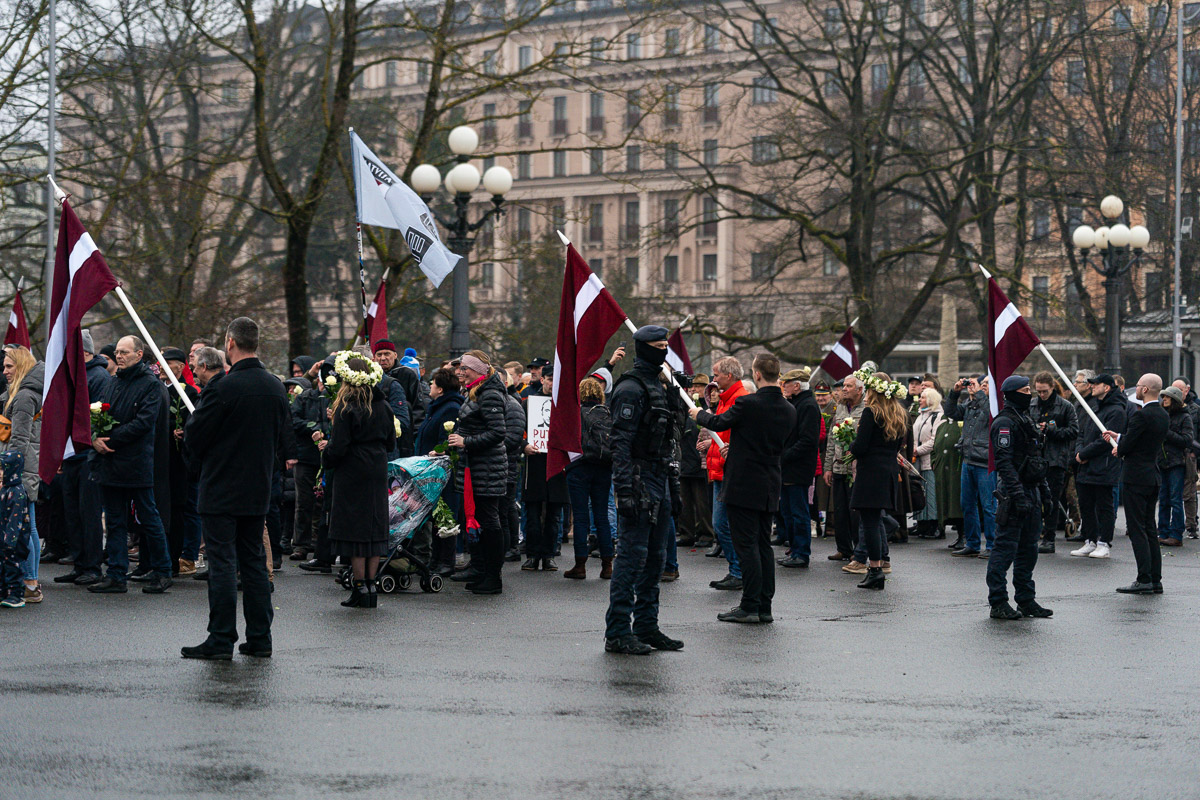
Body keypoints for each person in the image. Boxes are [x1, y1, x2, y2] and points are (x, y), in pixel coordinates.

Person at [181, 318, 295, 659]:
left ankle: (220, 638)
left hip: (221, 488)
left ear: (229, 343)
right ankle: (260, 637)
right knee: (255, 564)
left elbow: (195, 437)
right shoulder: (275, 386)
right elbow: (283, 439)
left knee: (223, 564)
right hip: (258, 486)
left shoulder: (223, 388)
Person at [691, 353, 796, 621]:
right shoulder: (789, 409)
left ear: (757, 375)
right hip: (769, 482)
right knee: (762, 545)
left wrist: (697, 413)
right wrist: (735, 450)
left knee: (746, 546)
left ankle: (749, 605)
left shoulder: (747, 403)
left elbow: (717, 422)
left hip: (743, 484)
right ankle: (764, 606)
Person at [603, 327, 683, 655]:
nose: (664, 351)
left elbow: (670, 437)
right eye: (658, 347)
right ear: (643, 349)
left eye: (666, 346)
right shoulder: (631, 388)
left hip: (660, 474)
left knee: (656, 557)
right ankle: (618, 630)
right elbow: (620, 441)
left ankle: (647, 625)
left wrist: (673, 486)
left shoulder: (663, 385)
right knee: (633, 556)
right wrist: (624, 488)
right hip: (637, 475)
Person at [88, 336, 174, 595]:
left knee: (149, 518)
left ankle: (162, 571)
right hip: (110, 462)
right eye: (117, 352)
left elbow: (144, 423)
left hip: (136, 464)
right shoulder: (113, 382)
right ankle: (116, 574)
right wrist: (95, 439)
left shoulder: (150, 384)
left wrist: (110, 439)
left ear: (139, 354)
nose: (119, 356)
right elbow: (100, 416)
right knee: (115, 522)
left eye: (124, 352)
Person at [322, 354, 396, 608]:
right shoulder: (384, 406)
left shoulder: (346, 407)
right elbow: (391, 442)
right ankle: (372, 586)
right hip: (376, 467)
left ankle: (359, 587)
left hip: (352, 470)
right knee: (374, 528)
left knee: (354, 530)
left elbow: (339, 446)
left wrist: (326, 455)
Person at [986, 376, 1052, 620]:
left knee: (1028, 550)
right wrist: (1017, 495)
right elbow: (1004, 463)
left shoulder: (1026, 419)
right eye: (1025, 390)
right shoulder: (1004, 423)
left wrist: (1044, 492)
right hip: (1014, 495)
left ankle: (1026, 599)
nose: (1029, 394)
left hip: (1031, 490)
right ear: (1012, 393)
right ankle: (998, 602)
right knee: (1004, 550)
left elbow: (1035, 459)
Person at [447, 351, 509, 595]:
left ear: (478, 371)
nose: (461, 372)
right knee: (478, 520)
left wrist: (466, 441)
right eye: (460, 368)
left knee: (489, 522)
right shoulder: (476, 390)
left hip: (487, 468)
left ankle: (493, 577)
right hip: (477, 467)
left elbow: (498, 433)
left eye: (465, 368)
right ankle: (482, 570)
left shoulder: (490, 393)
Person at [54, 330, 111, 586]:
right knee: (73, 512)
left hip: (87, 455)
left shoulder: (98, 377)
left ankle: (92, 565)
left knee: (88, 513)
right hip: (71, 455)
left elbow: (97, 418)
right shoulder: (75, 376)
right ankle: (79, 563)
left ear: (85, 352)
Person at [1109, 375, 1170, 594]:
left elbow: (1127, 447)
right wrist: (1121, 437)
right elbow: (1141, 439)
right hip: (1152, 476)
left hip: (1135, 477)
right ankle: (1155, 579)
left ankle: (1143, 578)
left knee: (1137, 529)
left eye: (1139, 385)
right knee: (1149, 528)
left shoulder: (1141, 415)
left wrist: (1119, 445)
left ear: (1144, 389)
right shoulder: (1163, 414)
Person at [846, 371, 907, 591]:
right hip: (888, 471)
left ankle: (875, 570)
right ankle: (878, 566)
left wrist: (851, 446)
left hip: (870, 473)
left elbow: (861, 447)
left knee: (870, 523)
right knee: (875, 521)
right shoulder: (899, 413)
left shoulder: (872, 412)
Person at [1072, 374, 1127, 559]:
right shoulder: (1093, 407)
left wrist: (1084, 454)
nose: (1092, 386)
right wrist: (1079, 453)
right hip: (1085, 466)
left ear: (1107, 387)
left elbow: (1106, 440)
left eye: (1096, 384)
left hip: (1104, 465)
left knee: (1104, 506)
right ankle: (1090, 540)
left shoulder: (1116, 411)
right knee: (1086, 504)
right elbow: (1082, 433)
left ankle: (1104, 542)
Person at [565, 377, 614, 579]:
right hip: (603, 467)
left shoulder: (574, 413)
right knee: (602, 515)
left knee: (581, 516)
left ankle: (580, 564)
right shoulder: (608, 412)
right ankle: (607, 564)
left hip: (579, 466)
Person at [417, 367, 465, 577]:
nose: (430, 386)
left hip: (445, 471)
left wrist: (437, 451)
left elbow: (447, 440)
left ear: (441, 389)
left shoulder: (451, 408)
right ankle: (436, 560)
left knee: (446, 516)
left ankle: (446, 560)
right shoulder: (437, 407)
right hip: (431, 470)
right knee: (436, 515)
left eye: (433, 384)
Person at [522, 370, 569, 572]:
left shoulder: (566, 405)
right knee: (532, 511)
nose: (552, 383)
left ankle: (549, 555)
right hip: (535, 462)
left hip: (557, 463)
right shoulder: (529, 403)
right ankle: (533, 555)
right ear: (543, 380)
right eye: (550, 379)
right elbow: (517, 428)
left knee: (554, 513)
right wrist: (523, 445)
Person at [943, 376, 994, 557]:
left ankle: (992, 546)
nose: (982, 387)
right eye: (983, 384)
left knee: (988, 505)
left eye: (986, 385)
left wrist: (979, 394)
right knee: (967, 504)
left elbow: (989, 412)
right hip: (968, 460)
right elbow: (950, 412)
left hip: (985, 462)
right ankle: (972, 543)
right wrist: (955, 392)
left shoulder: (993, 405)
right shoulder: (970, 405)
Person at [1030, 371, 1079, 554]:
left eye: (1044, 391)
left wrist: (1052, 430)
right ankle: (1036, 534)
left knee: (1051, 498)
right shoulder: (1032, 404)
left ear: (1052, 388)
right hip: (1036, 457)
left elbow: (1073, 431)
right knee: (1035, 498)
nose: (1041, 395)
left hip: (1055, 459)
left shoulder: (1065, 406)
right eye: (1039, 391)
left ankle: (1050, 537)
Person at [778, 367, 820, 568]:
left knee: (799, 512)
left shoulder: (808, 406)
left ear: (796, 385)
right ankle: (794, 549)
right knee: (788, 512)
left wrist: (783, 456)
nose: (783, 387)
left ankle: (802, 552)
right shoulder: (797, 403)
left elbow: (808, 440)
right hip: (789, 467)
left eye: (786, 383)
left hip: (798, 467)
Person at [824, 373, 864, 563]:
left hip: (855, 468)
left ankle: (859, 549)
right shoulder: (840, 407)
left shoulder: (866, 408)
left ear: (859, 390)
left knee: (854, 512)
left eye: (848, 386)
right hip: (838, 467)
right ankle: (843, 548)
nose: (844, 389)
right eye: (843, 386)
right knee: (839, 510)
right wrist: (828, 466)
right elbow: (832, 439)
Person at [676, 373, 714, 548]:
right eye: (692, 386)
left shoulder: (708, 410)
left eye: (698, 386)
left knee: (702, 502)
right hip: (685, 460)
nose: (694, 389)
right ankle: (687, 532)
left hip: (701, 462)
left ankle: (706, 533)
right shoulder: (685, 407)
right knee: (685, 501)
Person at [1156, 386, 1193, 548]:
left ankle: (1176, 534)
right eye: (1163, 397)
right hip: (1162, 462)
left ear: (1175, 400)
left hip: (1176, 463)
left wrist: (1166, 433)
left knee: (1175, 499)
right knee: (1163, 499)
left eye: (1167, 397)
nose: (1164, 399)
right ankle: (1163, 532)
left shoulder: (1185, 418)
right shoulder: (1162, 416)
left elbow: (1187, 440)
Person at [911, 387, 945, 539]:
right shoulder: (920, 415)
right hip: (917, 460)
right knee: (920, 491)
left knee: (931, 494)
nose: (920, 399)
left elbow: (934, 440)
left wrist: (917, 450)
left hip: (929, 460)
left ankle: (934, 525)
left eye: (923, 397)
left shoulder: (938, 416)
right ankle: (922, 523)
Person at [1170, 377, 1200, 538]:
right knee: (1173, 492)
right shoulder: (1170, 409)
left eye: (1179, 390)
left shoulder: (1195, 408)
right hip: (1174, 454)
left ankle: (1191, 525)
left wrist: (1196, 452)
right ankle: (1176, 524)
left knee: (1189, 492)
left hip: (1189, 453)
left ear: (1187, 390)